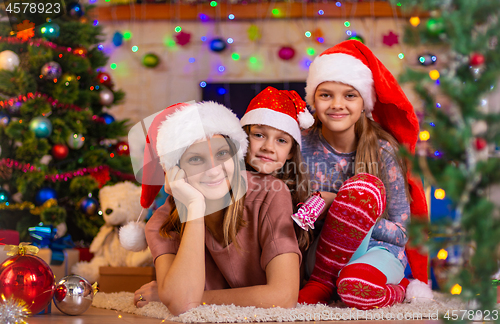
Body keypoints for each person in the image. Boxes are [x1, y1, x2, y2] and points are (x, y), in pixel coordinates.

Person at [132, 101, 301, 315]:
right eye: (195, 159)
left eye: (222, 154)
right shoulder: (162, 222)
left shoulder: (270, 193)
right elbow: (182, 305)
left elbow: (283, 297)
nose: (213, 171)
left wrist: (187, 298)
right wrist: (193, 207)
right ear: (175, 171)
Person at [297, 40, 429, 309]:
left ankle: (399, 290)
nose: (337, 105)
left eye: (349, 95)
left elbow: (402, 232)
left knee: (358, 287)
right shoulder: (300, 145)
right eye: (326, 95)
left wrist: (344, 207)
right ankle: (323, 282)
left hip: (377, 251)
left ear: (363, 103)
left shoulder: (384, 151)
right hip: (319, 253)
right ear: (313, 100)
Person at [240, 86, 316, 251]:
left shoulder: (294, 193)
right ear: (244, 137)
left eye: (281, 140)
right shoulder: (226, 184)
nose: (268, 147)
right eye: (259, 135)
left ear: (290, 152)